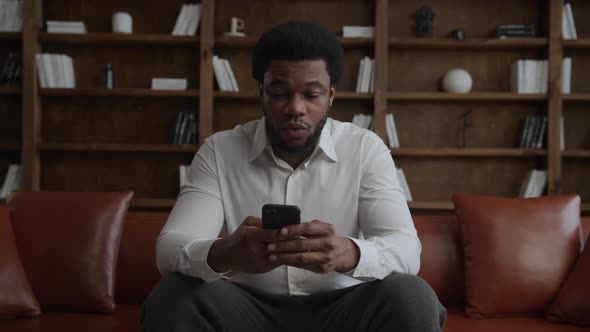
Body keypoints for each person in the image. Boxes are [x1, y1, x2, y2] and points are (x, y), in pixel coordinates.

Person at [142, 21, 446, 332]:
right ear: (261, 91)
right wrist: (225, 253)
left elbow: (407, 250)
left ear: (331, 95)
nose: (295, 108)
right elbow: (169, 249)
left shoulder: (365, 149)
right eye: (279, 93)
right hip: (245, 308)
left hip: (342, 309)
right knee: (172, 296)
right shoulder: (219, 150)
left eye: (311, 95)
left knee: (412, 296)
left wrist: (349, 253)